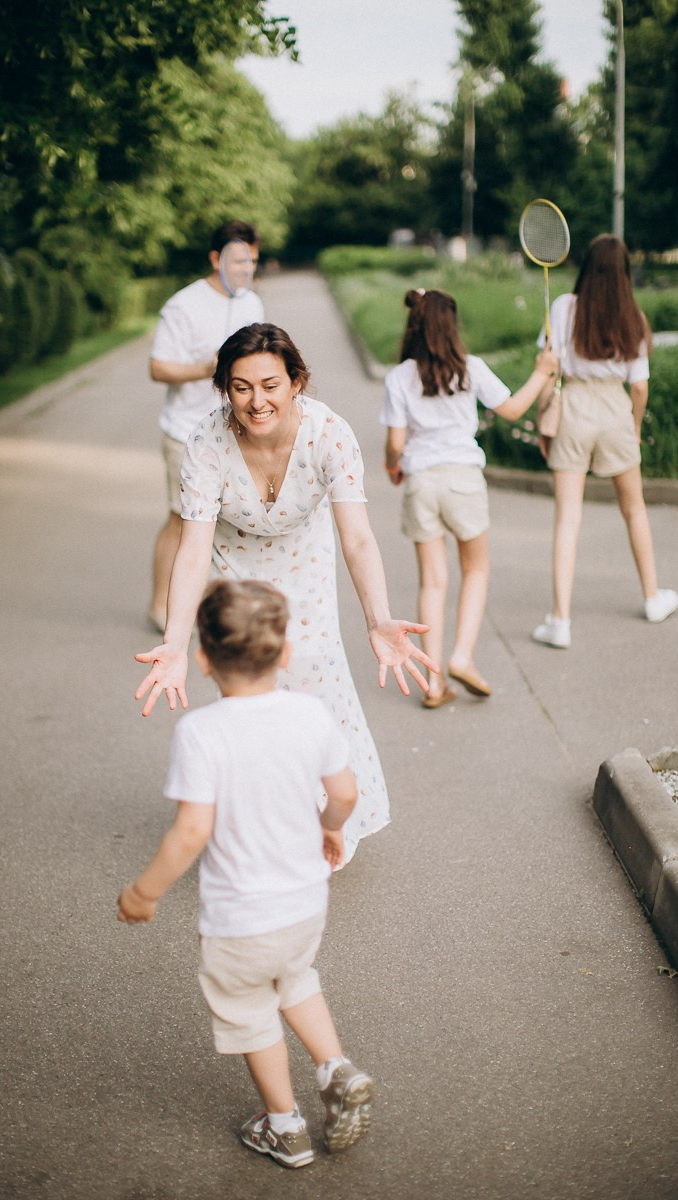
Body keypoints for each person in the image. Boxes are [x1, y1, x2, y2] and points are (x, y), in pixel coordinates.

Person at [135, 322, 434, 864]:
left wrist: (378, 620)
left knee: (317, 678)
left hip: (305, 561)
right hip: (235, 568)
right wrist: (177, 645)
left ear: (296, 381)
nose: (257, 401)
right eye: (242, 386)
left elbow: (358, 538)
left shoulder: (330, 434)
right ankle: (263, 826)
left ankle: (329, 821)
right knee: (250, 692)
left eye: (270, 384)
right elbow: (194, 548)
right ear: (225, 388)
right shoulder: (205, 443)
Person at [118, 579, 374, 1169]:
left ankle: (285, 1126)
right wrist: (330, 826)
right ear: (285, 655)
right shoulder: (311, 714)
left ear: (202, 658)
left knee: (250, 1006)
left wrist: (143, 892)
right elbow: (344, 792)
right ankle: (335, 1067)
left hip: (241, 917)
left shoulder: (201, 733)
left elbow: (189, 832)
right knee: (295, 976)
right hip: (306, 902)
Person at [381, 288, 558, 707]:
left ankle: (435, 682)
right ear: (451, 326)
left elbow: (394, 443)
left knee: (433, 581)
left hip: (421, 481)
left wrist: (394, 465)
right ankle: (462, 655)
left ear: (415, 326)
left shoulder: (399, 376)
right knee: (475, 571)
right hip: (463, 480)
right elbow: (513, 409)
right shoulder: (471, 368)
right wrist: (543, 371)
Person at [531, 234, 678, 649]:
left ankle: (560, 621)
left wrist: (545, 423)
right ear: (624, 272)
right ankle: (652, 598)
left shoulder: (562, 308)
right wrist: (632, 428)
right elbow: (640, 388)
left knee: (567, 518)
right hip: (614, 409)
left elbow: (548, 371)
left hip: (573, 408)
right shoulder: (634, 316)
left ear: (586, 267)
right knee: (634, 510)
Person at [148, 220, 263, 633]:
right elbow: (157, 367)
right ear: (216, 259)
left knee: (234, 522)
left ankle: (221, 607)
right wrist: (206, 368)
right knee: (183, 520)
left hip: (236, 432)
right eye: (237, 260)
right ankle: (162, 604)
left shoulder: (252, 303)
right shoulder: (184, 305)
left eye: (252, 259)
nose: (245, 268)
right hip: (185, 431)